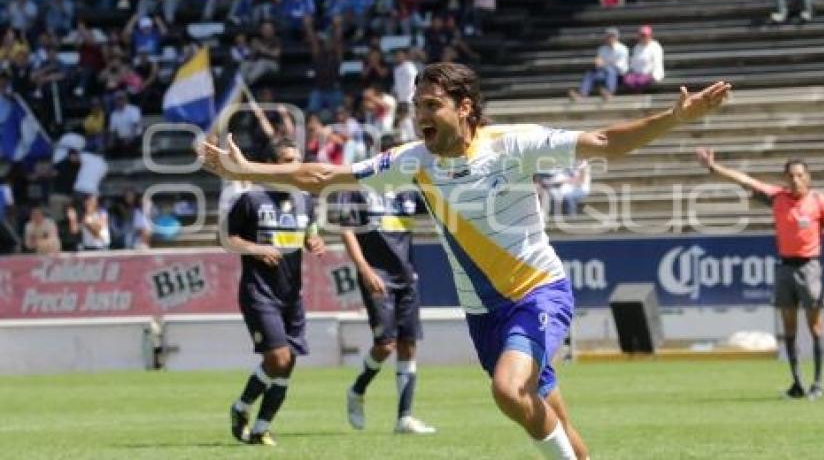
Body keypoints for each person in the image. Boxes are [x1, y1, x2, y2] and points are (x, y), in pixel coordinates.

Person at [200, 62, 732, 460]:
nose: (420, 115)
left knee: (507, 390)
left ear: (464, 108)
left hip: (538, 290)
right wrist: (248, 168)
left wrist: (675, 117)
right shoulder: (414, 161)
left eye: (431, 105)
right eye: (416, 106)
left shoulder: (512, 145)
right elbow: (322, 177)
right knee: (557, 429)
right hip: (484, 312)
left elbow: (605, 143)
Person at [695, 151, 824, 399]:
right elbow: (745, 181)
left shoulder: (820, 201)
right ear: (785, 178)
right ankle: (797, 383)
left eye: (800, 175)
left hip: (810, 268)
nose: (795, 180)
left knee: (815, 328)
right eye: (791, 176)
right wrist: (714, 167)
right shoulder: (778, 197)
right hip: (785, 267)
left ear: (808, 178)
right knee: (789, 329)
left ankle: (817, 383)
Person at [226, 137, 325, 446]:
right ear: (271, 166)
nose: (292, 166)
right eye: (285, 160)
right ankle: (242, 407)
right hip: (259, 292)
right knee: (279, 358)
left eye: (296, 160)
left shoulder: (305, 201)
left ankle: (259, 428)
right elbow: (228, 239)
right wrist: (255, 248)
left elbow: (310, 231)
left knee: (288, 362)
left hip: (291, 294)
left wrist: (314, 241)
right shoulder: (251, 199)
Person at [336, 153, 435, 434]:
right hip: (377, 277)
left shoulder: (409, 191)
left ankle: (404, 417)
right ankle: (356, 390)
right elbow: (346, 231)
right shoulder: (358, 188)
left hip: (407, 277)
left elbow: (441, 207)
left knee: (408, 344)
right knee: (385, 345)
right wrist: (365, 270)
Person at [570, 27, 628, 100]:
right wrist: (598, 63)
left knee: (610, 70)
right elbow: (599, 63)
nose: (609, 38)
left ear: (616, 37)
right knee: (590, 74)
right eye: (608, 36)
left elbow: (621, 67)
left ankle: (609, 92)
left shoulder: (623, 49)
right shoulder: (602, 49)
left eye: (611, 36)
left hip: (619, 75)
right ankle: (582, 94)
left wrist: (605, 64)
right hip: (604, 74)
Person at [622, 25, 664, 93]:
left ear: (650, 35)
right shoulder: (637, 47)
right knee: (627, 80)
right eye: (642, 35)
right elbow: (634, 61)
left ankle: (637, 95)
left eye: (645, 35)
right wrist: (631, 71)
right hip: (636, 74)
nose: (643, 37)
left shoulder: (655, 46)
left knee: (640, 82)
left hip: (648, 74)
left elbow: (658, 62)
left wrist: (655, 75)